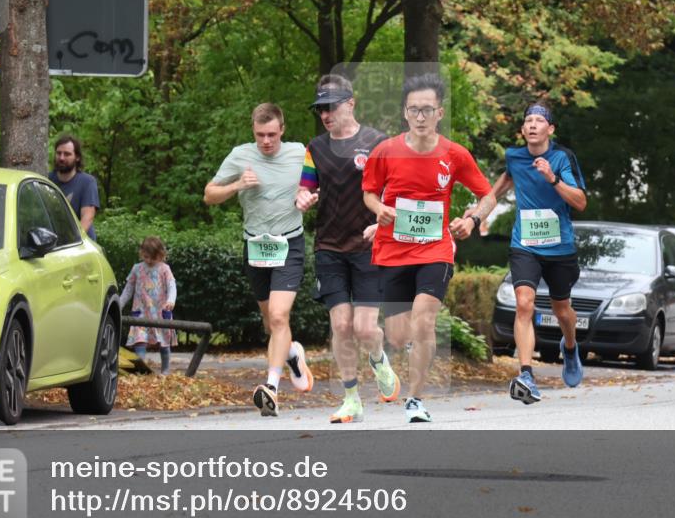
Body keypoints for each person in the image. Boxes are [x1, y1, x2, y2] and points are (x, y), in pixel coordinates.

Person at [362, 73, 496, 423]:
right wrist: (380, 211)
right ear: (405, 113)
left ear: (440, 112)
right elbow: (369, 192)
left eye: (427, 110)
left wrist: (472, 221)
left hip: (435, 250)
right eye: (414, 110)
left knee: (424, 323)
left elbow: (488, 195)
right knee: (397, 334)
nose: (420, 117)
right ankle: (394, 355)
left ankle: (415, 400)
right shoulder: (385, 151)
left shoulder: (454, 154)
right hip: (392, 250)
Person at [296, 74, 400, 424]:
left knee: (366, 329)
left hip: (369, 244)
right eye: (321, 109)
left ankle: (378, 359)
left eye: (331, 107)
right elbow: (306, 185)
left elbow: (394, 191)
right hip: (329, 247)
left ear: (351, 103)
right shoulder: (315, 148)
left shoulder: (377, 142)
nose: (325, 114)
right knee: (341, 326)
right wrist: (303, 198)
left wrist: (382, 220)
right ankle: (352, 397)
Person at [204, 103, 313, 417]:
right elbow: (209, 195)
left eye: (272, 134)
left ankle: (271, 389)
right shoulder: (240, 155)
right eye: (260, 135)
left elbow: (317, 183)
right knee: (271, 323)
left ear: (282, 129)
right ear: (253, 131)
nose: (266, 141)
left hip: (289, 243)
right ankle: (292, 354)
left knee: (279, 316)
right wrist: (238, 185)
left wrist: (307, 195)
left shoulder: (299, 153)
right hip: (255, 246)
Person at [490, 101, 588, 404]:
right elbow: (496, 192)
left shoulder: (561, 158)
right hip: (525, 245)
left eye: (539, 120)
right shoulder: (514, 158)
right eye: (528, 121)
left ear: (551, 129)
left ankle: (570, 347)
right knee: (524, 303)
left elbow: (581, 202)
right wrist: (474, 216)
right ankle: (527, 373)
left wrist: (552, 178)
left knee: (562, 311)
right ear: (523, 130)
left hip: (559, 248)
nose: (533, 124)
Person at [120, 236, 178, 375]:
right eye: (146, 257)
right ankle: (141, 370)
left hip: (160, 312)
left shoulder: (165, 269)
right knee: (139, 340)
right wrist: (119, 305)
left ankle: (165, 370)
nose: (149, 260)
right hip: (141, 311)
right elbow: (128, 289)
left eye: (153, 257)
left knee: (164, 343)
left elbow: (172, 286)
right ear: (141, 253)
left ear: (161, 255)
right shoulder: (137, 269)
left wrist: (171, 300)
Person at [49, 135, 100, 240]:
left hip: (81, 246)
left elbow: (87, 217)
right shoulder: (46, 179)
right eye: (59, 153)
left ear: (77, 157)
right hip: (52, 244)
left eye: (67, 154)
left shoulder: (87, 182)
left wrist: (73, 242)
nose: (61, 158)